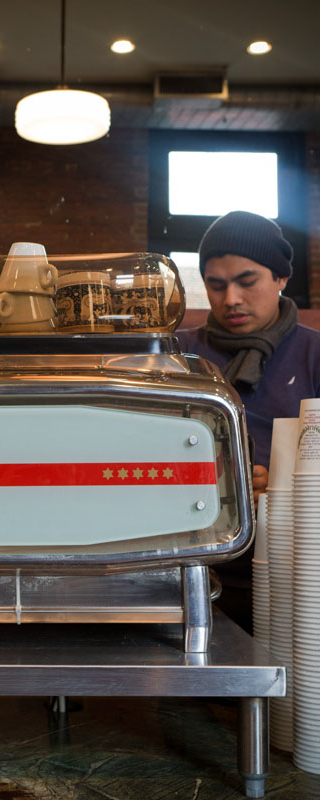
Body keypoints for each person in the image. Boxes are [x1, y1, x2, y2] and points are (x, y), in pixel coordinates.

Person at [177, 210, 320, 631]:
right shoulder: (177, 355)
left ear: (280, 278)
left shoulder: (313, 355)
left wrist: (284, 484)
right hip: (194, 566)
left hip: (294, 569)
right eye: (216, 285)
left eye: (247, 281)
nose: (231, 299)